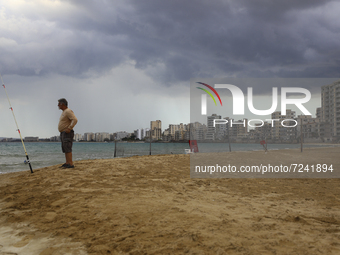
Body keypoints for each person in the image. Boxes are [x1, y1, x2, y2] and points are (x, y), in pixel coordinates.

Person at [58, 98, 78, 168]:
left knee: (68, 148)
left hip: (67, 133)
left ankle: (70, 163)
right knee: (65, 148)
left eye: (59, 103)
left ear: (62, 104)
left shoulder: (68, 111)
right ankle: (67, 162)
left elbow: (75, 120)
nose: (58, 105)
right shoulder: (64, 112)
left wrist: (69, 128)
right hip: (63, 132)